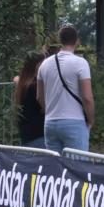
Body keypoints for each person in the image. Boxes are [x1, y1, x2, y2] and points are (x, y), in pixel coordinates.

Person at [37, 25, 94, 153]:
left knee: (55, 170)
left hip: (50, 123)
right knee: (76, 169)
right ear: (77, 41)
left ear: (60, 40)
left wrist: (50, 111)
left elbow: (39, 97)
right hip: (74, 123)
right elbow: (87, 97)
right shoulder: (81, 63)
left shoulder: (44, 64)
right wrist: (90, 120)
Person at [13, 51, 46, 148]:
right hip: (39, 134)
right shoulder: (35, 86)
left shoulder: (23, 84)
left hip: (27, 134)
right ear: (37, 66)